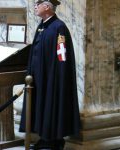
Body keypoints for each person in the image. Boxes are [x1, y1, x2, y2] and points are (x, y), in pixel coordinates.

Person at [19, 0, 81, 149]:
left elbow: (62, 55)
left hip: (52, 76)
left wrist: (59, 76)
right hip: (38, 77)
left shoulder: (59, 27)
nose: (34, 6)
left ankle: (53, 139)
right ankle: (44, 137)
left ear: (47, 7)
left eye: (37, 3)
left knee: (51, 106)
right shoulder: (42, 26)